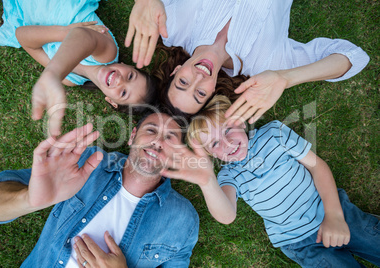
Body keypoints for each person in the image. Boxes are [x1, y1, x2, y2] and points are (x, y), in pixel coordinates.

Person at [160, 95, 380, 267]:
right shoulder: (228, 176)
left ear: (241, 121)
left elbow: (317, 166)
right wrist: (207, 182)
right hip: (301, 243)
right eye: (215, 144)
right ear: (211, 155)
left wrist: (334, 215)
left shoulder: (273, 134)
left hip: (332, 209)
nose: (227, 144)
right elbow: (227, 215)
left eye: (228, 130)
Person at [0, 112, 199, 267]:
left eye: (170, 139)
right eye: (151, 130)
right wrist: (28, 200)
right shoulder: (88, 162)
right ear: (132, 136)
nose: (158, 142)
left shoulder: (183, 220)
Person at [125, 0, 370, 123]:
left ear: (176, 70)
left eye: (183, 82)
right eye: (199, 92)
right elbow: (353, 58)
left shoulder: (171, 29)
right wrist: (286, 78)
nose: (199, 77)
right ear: (212, 93)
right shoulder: (265, 64)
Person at [0, 0, 157, 136]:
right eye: (130, 76)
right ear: (125, 65)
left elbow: (22, 35)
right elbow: (83, 36)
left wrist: (56, 73)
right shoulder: (108, 52)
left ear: (111, 102)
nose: (121, 80)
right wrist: (53, 70)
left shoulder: (70, 79)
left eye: (123, 93)